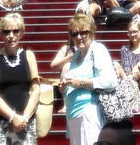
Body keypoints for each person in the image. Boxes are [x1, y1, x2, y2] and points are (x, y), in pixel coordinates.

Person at [50, 14, 116, 145]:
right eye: (74, 34)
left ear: (91, 32)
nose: (79, 37)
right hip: (73, 114)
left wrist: (79, 83)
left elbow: (110, 81)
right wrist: (66, 86)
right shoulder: (76, 56)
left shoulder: (97, 50)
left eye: (83, 32)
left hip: (90, 112)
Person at [0, 13, 40, 145]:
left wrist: (24, 118)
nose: (11, 35)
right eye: (7, 31)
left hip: (25, 121)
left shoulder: (29, 56)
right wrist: (12, 117)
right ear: (1, 34)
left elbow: (36, 89)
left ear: (21, 33)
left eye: (15, 31)